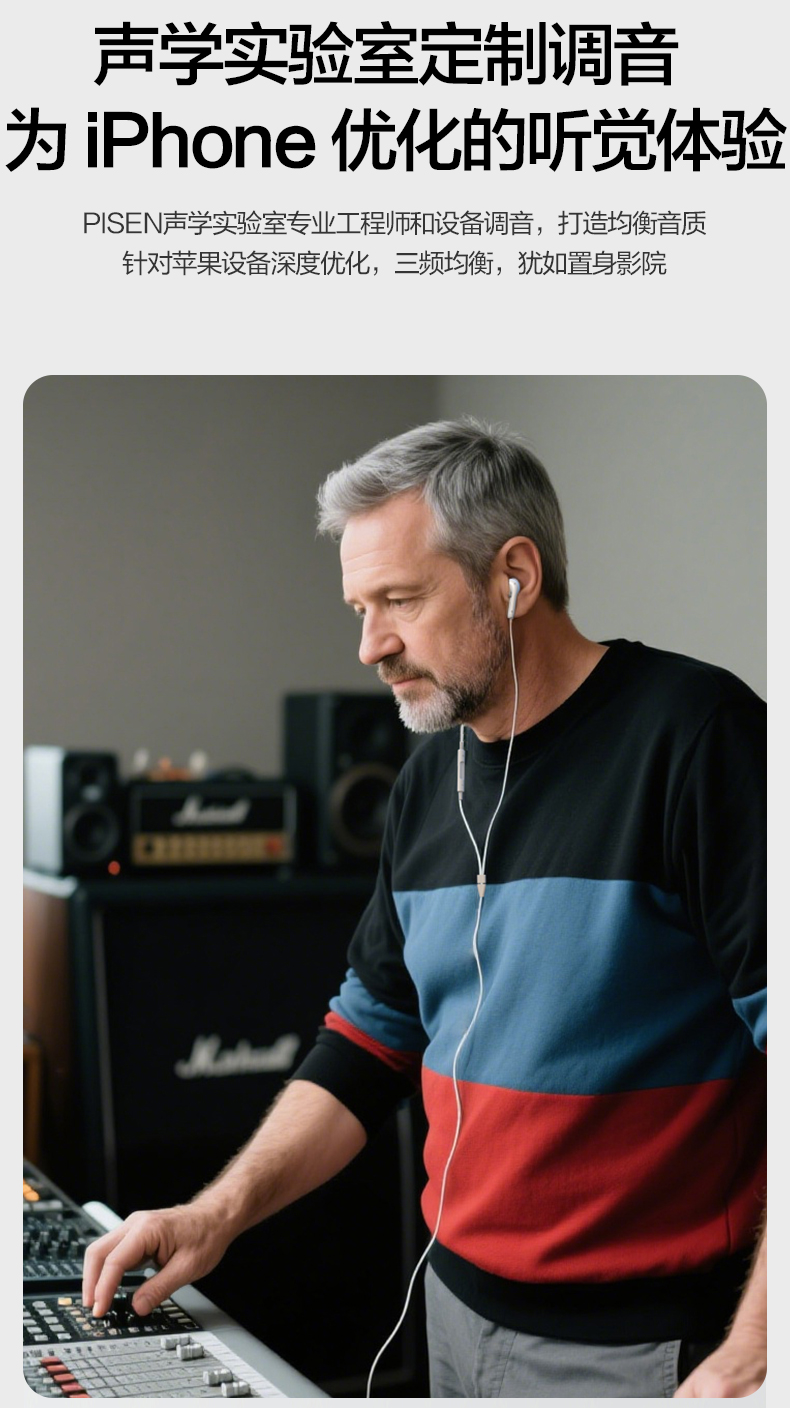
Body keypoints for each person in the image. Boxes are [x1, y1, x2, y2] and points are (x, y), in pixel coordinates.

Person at [83, 418, 766, 1398]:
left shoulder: (700, 739)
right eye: (361, 608)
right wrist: (214, 1211)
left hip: (644, 1348)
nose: (371, 645)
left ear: (513, 575)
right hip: (450, 1319)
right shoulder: (421, 784)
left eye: (399, 599)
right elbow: (369, 1041)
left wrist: (757, 1346)